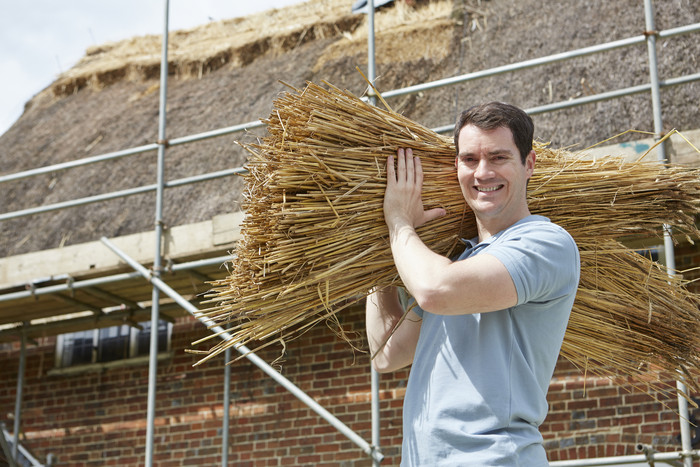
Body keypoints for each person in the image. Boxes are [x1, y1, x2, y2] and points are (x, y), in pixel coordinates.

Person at [366, 102, 580, 466]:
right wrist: (381, 256)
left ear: (529, 164)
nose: (483, 172)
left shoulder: (546, 243)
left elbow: (435, 290)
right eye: (469, 159)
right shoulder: (459, 262)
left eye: (498, 157)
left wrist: (399, 223)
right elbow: (387, 353)